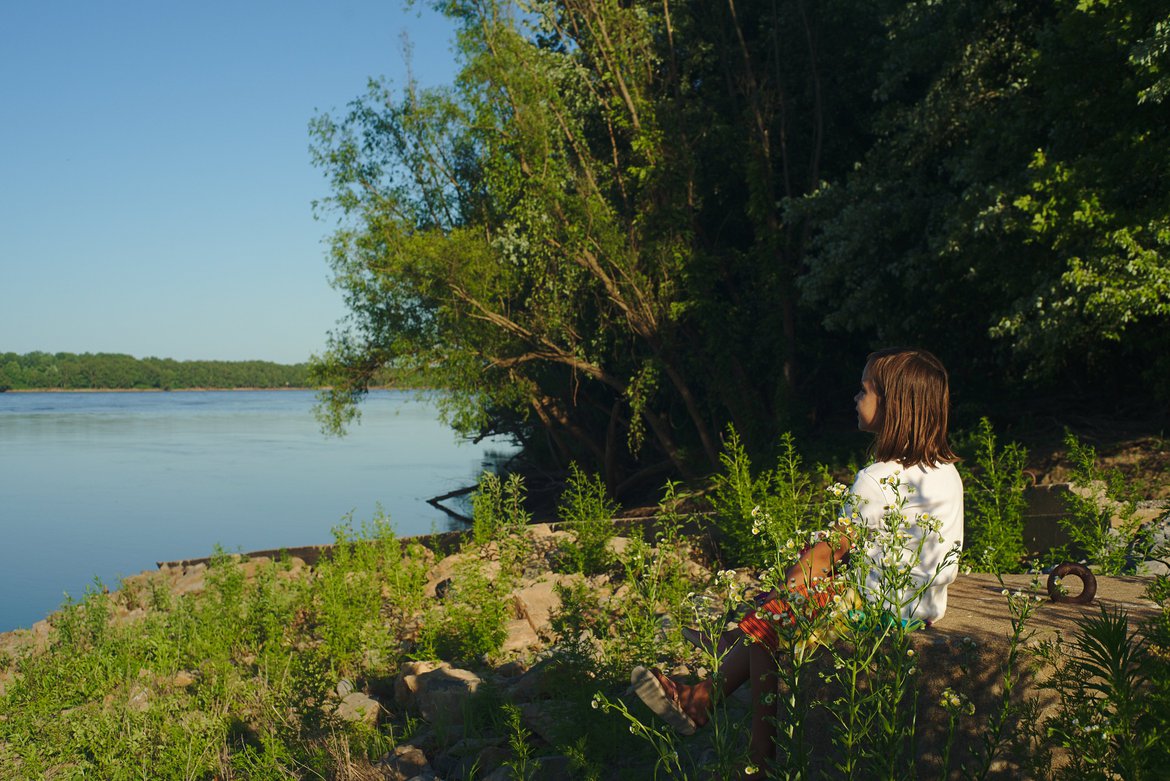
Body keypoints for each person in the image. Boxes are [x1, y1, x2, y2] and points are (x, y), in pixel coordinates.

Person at [630, 347, 964, 779]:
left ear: (894, 405)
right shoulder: (946, 471)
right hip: (922, 607)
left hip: (880, 611)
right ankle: (706, 687)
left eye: (864, 390)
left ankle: (751, 746)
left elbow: (826, 553)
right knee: (782, 607)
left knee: (776, 619)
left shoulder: (877, 479)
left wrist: (782, 595)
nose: (855, 397)